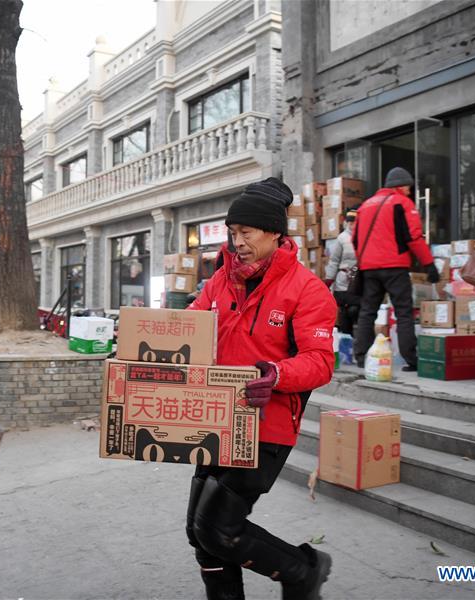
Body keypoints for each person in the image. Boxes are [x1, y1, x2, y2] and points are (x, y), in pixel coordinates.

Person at [187, 177, 337, 600]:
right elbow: (191, 329)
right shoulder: (220, 282)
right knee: (200, 535)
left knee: (219, 528)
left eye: (246, 233)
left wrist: (275, 375)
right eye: (233, 234)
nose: (237, 243)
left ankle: (304, 570)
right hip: (215, 418)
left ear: (274, 233)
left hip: (265, 426)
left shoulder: (307, 290)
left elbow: (321, 361)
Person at [352, 167, 438, 372]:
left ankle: (361, 356)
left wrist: (367, 260)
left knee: (367, 312)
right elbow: (414, 237)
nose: (409, 191)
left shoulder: (365, 206)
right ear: (400, 186)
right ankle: (411, 358)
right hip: (395, 267)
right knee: (404, 312)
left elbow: (355, 240)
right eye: (408, 187)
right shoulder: (402, 203)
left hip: (369, 268)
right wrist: (429, 264)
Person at [324, 210, 359, 335]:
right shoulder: (342, 238)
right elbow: (334, 260)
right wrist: (329, 279)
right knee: (344, 310)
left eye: (354, 222)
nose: (352, 224)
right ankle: (345, 338)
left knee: (355, 309)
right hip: (343, 280)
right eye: (350, 222)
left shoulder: (364, 236)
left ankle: (356, 338)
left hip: (359, 280)